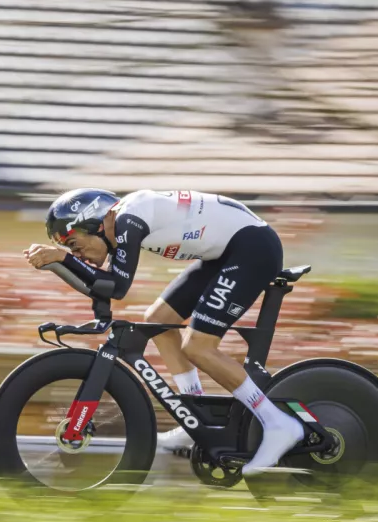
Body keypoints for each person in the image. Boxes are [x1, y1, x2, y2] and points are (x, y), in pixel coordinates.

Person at [23, 188, 303, 476]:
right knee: (158, 320)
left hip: (252, 249)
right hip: (226, 252)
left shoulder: (128, 221)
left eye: (75, 244)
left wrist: (62, 260)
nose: (78, 253)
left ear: (93, 223)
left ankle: (278, 423)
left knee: (198, 347)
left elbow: (117, 288)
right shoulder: (120, 222)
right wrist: (61, 263)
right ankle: (195, 416)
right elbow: (100, 285)